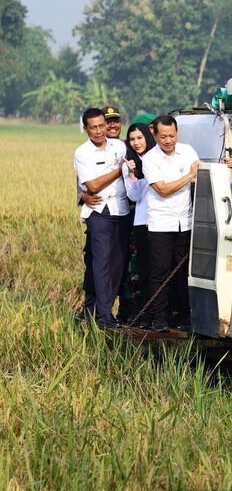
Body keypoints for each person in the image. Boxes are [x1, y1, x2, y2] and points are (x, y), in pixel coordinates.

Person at [142, 115, 200, 331]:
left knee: (183, 271)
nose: (168, 140)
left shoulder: (188, 151)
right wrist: (189, 176)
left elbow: (200, 172)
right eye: (163, 136)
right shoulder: (150, 159)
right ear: (154, 134)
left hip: (185, 222)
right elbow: (163, 189)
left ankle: (183, 317)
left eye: (172, 136)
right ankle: (159, 318)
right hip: (161, 224)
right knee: (160, 272)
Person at [73, 108, 130, 328]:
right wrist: (118, 170)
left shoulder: (120, 146)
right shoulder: (83, 152)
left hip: (121, 209)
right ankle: (104, 315)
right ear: (86, 129)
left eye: (101, 126)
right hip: (99, 211)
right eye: (93, 127)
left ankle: (103, 309)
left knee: (118, 263)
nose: (99, 131)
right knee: (100, 263)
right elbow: (93, 185)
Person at [121, 123, 156, 326]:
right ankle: (143, 313)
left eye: (140, 138)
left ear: (148, 137)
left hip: (163, 221)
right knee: (143, 270)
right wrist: (134, 174)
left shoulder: (158, 158)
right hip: (142, 221)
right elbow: (133, 195)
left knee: (159, 270)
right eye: (132, 139)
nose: (136, 143)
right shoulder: (129, 163)